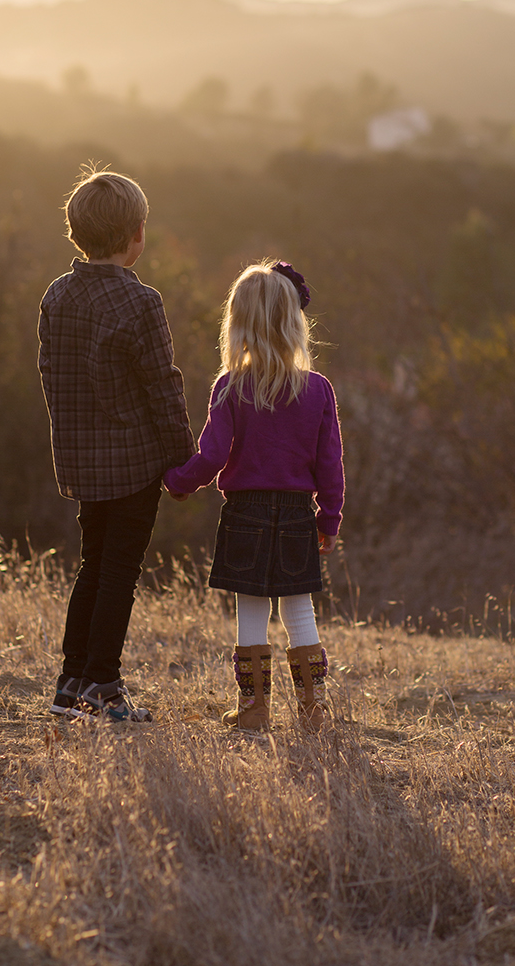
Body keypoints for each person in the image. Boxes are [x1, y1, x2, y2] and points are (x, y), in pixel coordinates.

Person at [38, 168, 196, 721]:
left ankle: (70, 683)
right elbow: (163, 385)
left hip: (81, 460)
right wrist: (183, 460)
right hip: (133, 463)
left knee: (93, 565)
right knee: (118, 573)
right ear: (136, 234)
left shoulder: (57, 295)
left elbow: (51, 374)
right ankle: (102, 684)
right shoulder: (141, 302)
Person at [164, 261, 343, 731]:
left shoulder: (231, 387)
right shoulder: (318, 390)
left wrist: (178, 481)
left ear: (238, 322)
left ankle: (254, 710)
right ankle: (313, 710)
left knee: (252, 608)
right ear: (293, 320)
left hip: (245, 513)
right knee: (299, 607)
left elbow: (212, 455)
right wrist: (329, 519)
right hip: (298, 514)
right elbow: (330, 466)